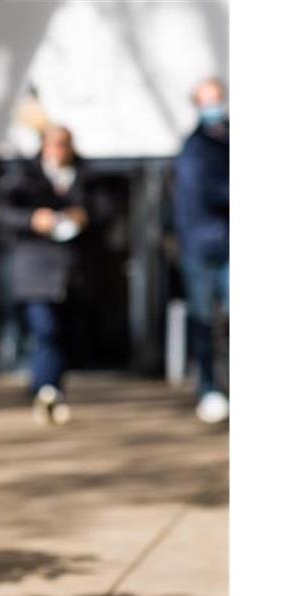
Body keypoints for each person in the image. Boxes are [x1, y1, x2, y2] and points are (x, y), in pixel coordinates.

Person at [0, 125, 91, 425]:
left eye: (65, 144)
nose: (60, 150)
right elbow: (3, 213)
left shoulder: (85, 175)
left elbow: (105, 211)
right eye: (55, 144)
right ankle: (46, 389)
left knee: (60, 335)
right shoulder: (24, 176)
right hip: (34, 272)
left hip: (69, 274)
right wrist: (32, 219)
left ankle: (51, 390)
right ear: (44, 147)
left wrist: (84, 215)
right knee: (44, 330)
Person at [174, 77, 230, 424]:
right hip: (201, 246)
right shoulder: (193, 148)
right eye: (207, 100)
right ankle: (208, 386)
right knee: (203, 318)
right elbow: (206, 192)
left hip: (230, 243)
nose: (214, 106)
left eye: (218, 99)